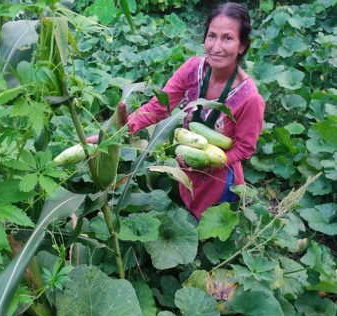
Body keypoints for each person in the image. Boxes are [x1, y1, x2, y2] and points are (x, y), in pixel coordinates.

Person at [88, 2, 265, 220]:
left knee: (211, 227)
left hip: (220, 182)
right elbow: (159, 106)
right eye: (211, 36)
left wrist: (209, 162)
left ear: (242, 45)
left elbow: (245, 149)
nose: (216, 46)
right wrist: (117, 131)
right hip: (187, 170)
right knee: (188, 215)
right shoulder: (192, 69)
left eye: (227, 38)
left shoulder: (250, 98)